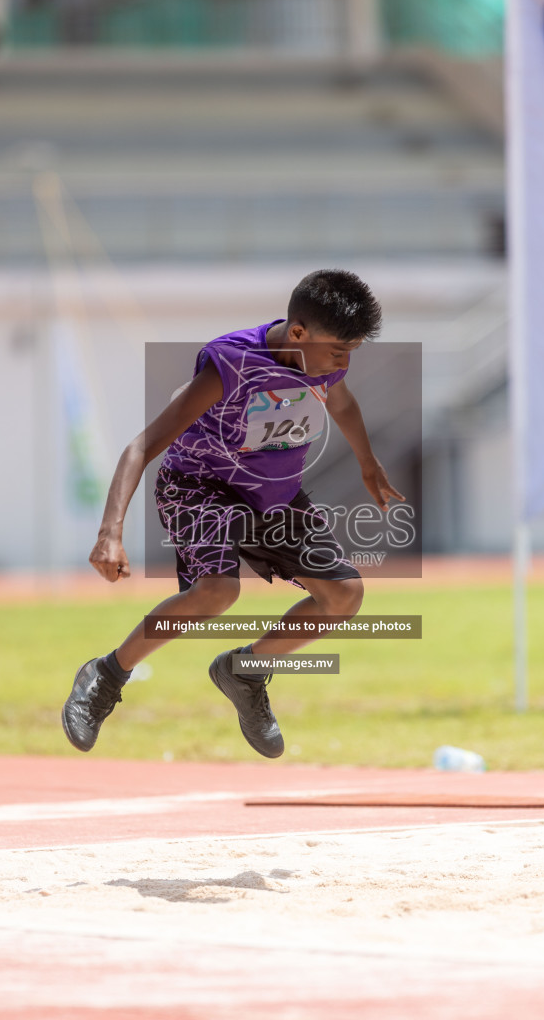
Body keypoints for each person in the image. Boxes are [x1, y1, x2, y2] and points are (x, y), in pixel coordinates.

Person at [61, 269, 404, 759]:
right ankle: (108, 673)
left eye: (352, 352)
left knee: (345, 595)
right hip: (200, 489)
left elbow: (342, 404)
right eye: (338, 351)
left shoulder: (324, 362)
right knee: (218, 591)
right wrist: (109, 533)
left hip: (274, 497)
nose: (344, 363)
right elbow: (141, 446)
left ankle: (245, 672)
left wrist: (368, 463)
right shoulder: (231, 363)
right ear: (299, 333)